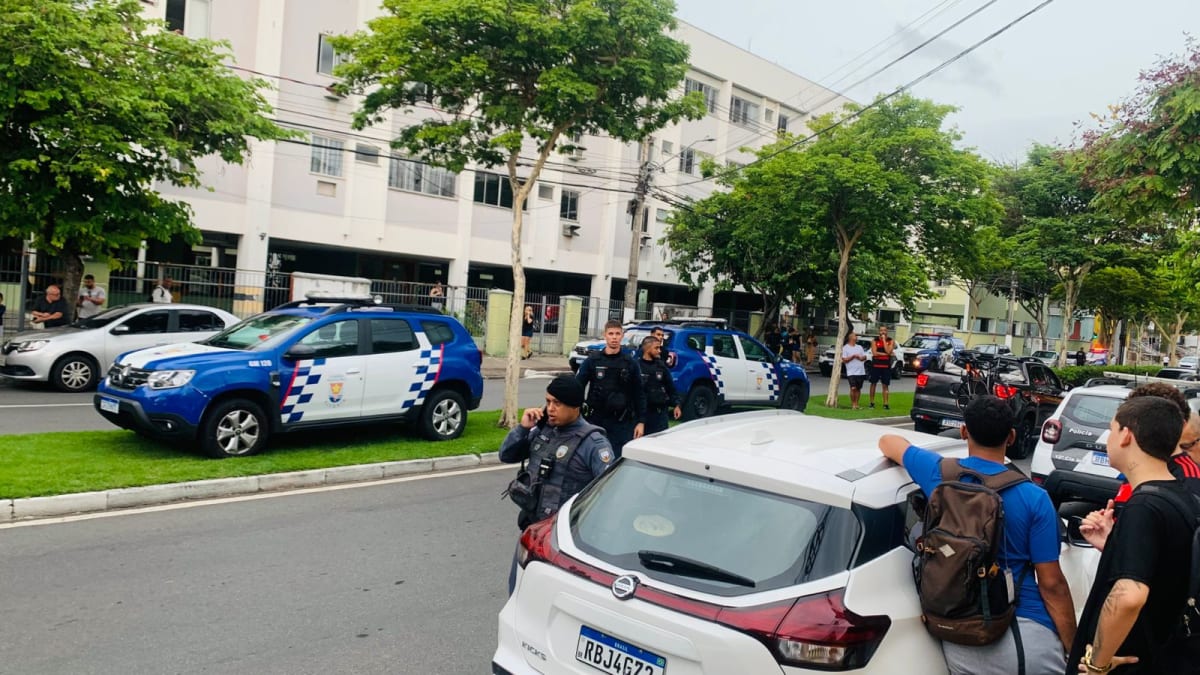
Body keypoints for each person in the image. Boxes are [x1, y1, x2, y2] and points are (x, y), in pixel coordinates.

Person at [878, 396, 1077, 675]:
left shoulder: (939, 474)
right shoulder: (1035, 498)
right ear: (1011, 436)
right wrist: (1074, 648)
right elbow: (1051, 584)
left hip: (961, 636)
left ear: (963, 432)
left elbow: (888, 441)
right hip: (1024, 638)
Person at [1068, 396, 1197, 674]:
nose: (1109, 438)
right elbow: (1167, 567)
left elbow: (1130, 595)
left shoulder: (1143, 506)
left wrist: (1097, 664)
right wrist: (1115, 545)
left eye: (1112, 429)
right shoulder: (1180, 495)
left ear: (1126, 435)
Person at [500, 375, 614, 593]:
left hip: (565, 542)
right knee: (518, 594)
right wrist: (523, 429)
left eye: (557, 403)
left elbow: (609, 495)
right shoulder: (543, 430)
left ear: (575, 406)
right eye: (548, 401)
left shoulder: (594, 443)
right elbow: (506, 455)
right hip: (532, 533)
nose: (550, 408)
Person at [577, 320, 645, 457]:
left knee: (617, 461)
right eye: (611, 334)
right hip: (596, 420)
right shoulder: (592, 361)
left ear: (622, 336)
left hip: (622, 423)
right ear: (605, 335)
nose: (614, 337)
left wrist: (641, 422)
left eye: (617, 334)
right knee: (593, 457)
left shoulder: (630, 363)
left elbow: (640, 393)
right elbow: (577, 387)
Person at [639, 336, 680, 434]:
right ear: (647, 349)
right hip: (642, 413)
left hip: (660, 413)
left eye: (660, 348)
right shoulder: (636, 366)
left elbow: (670, 387)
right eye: (656, 348)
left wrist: (676, 404)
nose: (659, 351)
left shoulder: (661, 366)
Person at [868, 325, 896, 410]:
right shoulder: (874, 341)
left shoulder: (890, 341)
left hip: (886, 366)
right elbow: (875, 353)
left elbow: (888, 350)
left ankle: (886, 403)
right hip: (876, 365)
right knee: (873, 383)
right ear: (879, 331)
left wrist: (884, 340)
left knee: (885, 385)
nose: (883, 332)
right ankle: (872, 402)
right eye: (881, 330)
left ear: (887, 331)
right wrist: (887, 354)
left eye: (884, 330)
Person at [841, 330, 868, 409]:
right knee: (853, 388)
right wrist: (853, 356)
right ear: (850, 337)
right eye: (854, 335)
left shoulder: (859, 347)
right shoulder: (845, 348)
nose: (856, 337)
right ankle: (853, 404)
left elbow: (864, 357)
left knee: (858, 388)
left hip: (860, 371)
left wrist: (861, 357)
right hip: (851, 371)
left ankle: (857, 404)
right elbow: (844, 359)